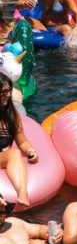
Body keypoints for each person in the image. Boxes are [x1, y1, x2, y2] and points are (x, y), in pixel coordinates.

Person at [0, 74, 38, 207]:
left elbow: (22, 142)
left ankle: (22, 195)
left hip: (3, 156)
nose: (8, 95)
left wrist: (30, 151)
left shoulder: (12, 113)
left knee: (15, 152)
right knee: (14, 153)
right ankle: (22, 194)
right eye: (3, 92)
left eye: (9, 91)